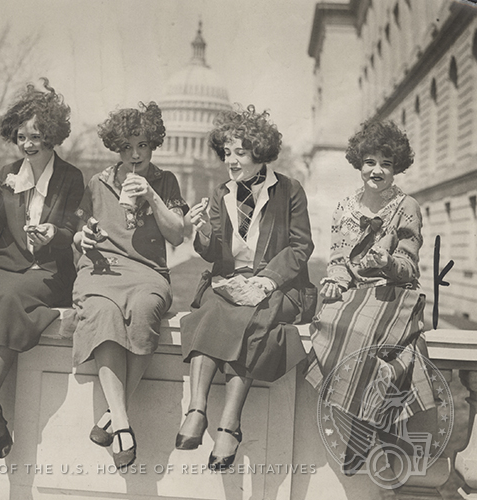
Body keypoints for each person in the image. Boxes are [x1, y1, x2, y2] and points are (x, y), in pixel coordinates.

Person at [178, 105, 315, 470]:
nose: (232, 161)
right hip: (231, 279)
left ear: (260, 153)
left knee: (254, 321)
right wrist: (203, 233)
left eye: (240, 152)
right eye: (227, 153)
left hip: (279, 284)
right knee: (209, 309)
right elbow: (217, 254)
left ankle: (230, 424)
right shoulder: (222, 191)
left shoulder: (289, 190)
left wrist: (265, 280)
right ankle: (197, 408)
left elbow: (302, 247)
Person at [0, 79, 83, 458]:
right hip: (5, 263)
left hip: (47, 270)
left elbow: (72, 231)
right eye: (22, 136)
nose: (28, 143)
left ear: (52, 135)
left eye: (37, 135)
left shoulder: (71, 177)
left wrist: (53, 234)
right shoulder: (8, 171)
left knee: (7, 300)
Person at [304, 120, 435, 475]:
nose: (377, 171)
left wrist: (389, 261)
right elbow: (338, 261)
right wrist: (333, 281)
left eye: (386, 164)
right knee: (329, 322)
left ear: (397, 168)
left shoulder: (406, 206)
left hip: (395, 295)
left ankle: (362, 433)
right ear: (359, 163)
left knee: (362, 333)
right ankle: (370, 426)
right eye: (370, 162)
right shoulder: (345, 207)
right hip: (356, 294)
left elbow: (409, 266)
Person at [73, 102, 187, 468]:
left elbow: (177, 235)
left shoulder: (166, 181)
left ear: (153, 144)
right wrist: (83, 237)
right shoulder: (98, 182)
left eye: (142, 145)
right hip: (102, 268)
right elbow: (79, 232)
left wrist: (152, 195)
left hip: (148, 271)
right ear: (116, 149)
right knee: (102, 311)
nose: (135, 155)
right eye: (126, 147)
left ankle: (111, 414)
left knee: (145, 308)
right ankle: (121, 422)